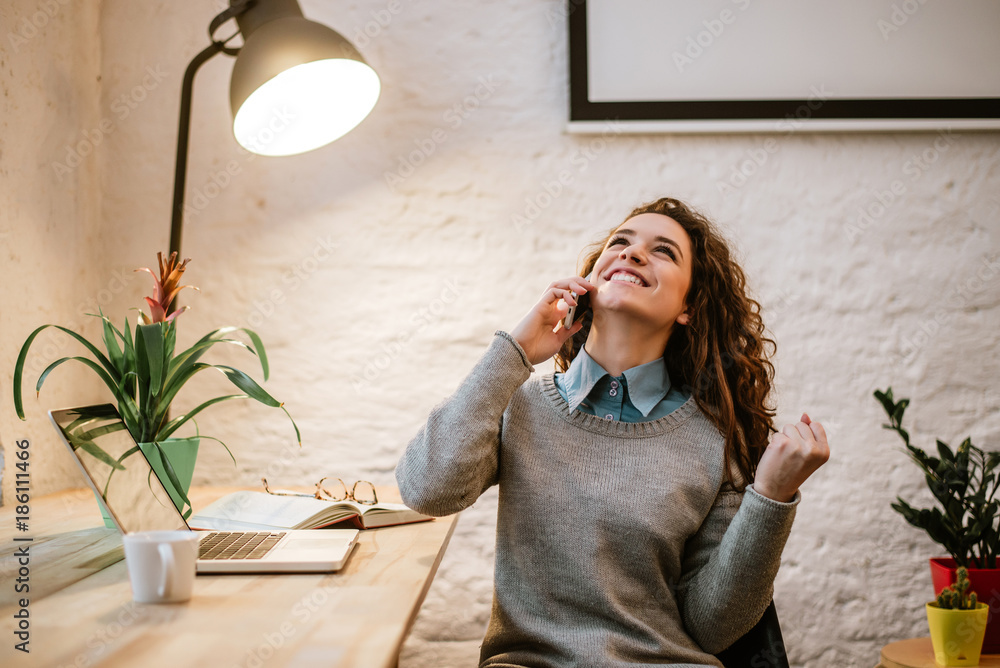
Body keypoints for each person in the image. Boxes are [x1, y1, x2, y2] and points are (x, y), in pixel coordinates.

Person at [396, 197, 830, 667]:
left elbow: (713, 628)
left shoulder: (717, 441)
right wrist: (516, 349)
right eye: (619, 242)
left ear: (688, 306)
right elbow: (427, 490)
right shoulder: (520, 403)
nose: (632, 253)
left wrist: (771, 496)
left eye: (663, 251)